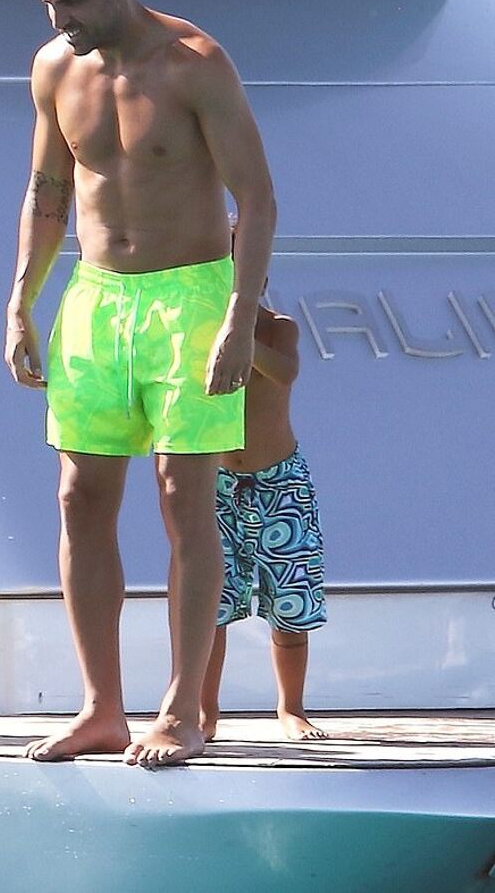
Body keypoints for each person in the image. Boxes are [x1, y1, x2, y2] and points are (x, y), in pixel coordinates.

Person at [4, 0, 276, 767]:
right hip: (95, 299)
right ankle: (101, 709)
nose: (60, 19)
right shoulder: (55, 67)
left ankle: (182, 709)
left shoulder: (195, 63)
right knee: (79, 498)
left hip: (190, 299)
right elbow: (48, 191)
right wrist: (20, 302)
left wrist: (239, 317)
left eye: (74, 2)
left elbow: (257, 200)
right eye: (49, 3)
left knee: (182, 499)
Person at [200, 284, 327, 742]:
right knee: (209, 605)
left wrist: (239, 337)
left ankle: (291, 708)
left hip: (280, 482)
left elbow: (285, 373)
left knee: (290, 601)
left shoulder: (279, 329)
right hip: (216, 483)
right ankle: (205, 712)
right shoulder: (194, 324)